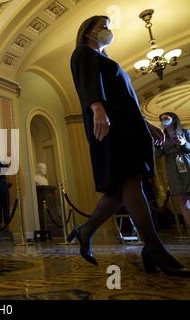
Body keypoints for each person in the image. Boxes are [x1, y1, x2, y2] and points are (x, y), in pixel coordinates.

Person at [69, 15, 190, 276]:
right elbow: (88, 85)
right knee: (130, 183)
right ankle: (154, 248)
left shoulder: (106, 60)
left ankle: (85, 231)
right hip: (111, 127)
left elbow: (128, 99)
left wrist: (147, 124)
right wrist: (97, 109)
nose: (107, 31)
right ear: (88, 32)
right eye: (103, 27)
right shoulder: (83, 54)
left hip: (128, 127)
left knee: (118, 191)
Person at [156, 112, 190, 230]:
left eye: (166, 118)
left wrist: (184, 143)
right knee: (182, 200)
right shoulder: (162, 136)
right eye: (161, 119)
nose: (163, 120)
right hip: (173, 169)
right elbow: (157, 155)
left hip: (187, 165)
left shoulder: (186, 132)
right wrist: (157, 146)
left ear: (174, 119)